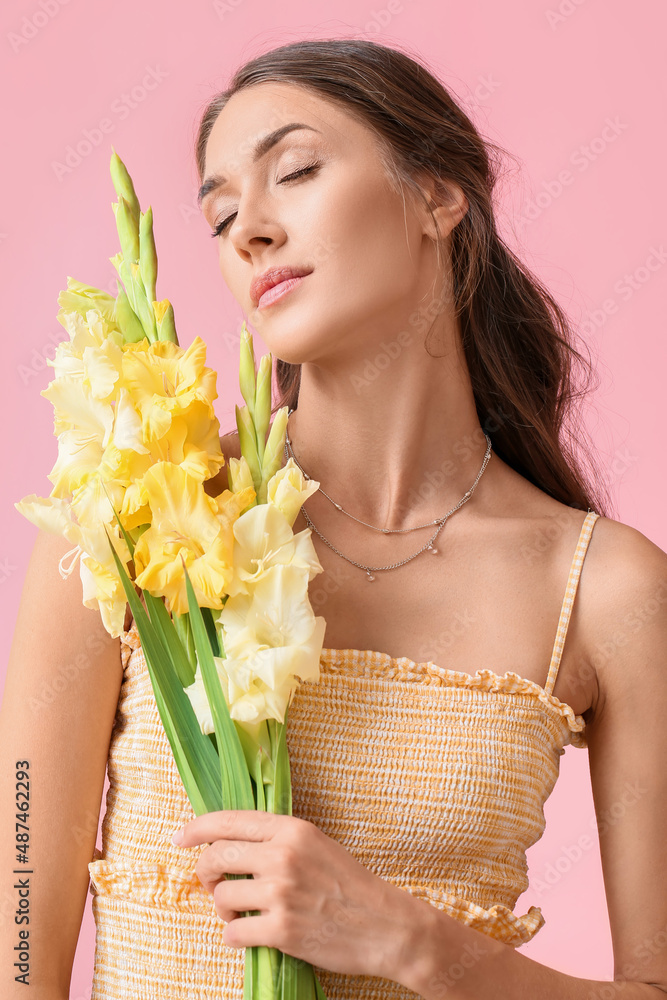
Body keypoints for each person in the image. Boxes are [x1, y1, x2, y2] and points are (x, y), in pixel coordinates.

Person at [1, 36, 666, 1000]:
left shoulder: (606, 591)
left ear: (440, 196)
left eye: (297, 171)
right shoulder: (133, 506)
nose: (248, 231)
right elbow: (19, 936)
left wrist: (411, 942)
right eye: (221, 212)